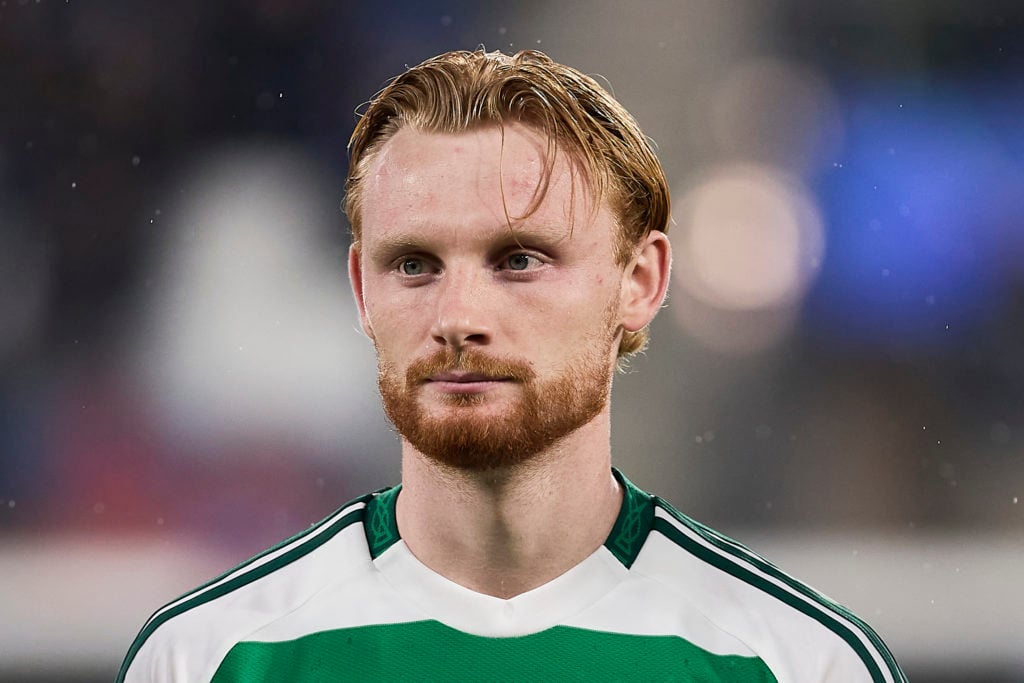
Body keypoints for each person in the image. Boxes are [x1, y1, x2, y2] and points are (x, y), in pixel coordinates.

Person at [118, 49, 905, 682]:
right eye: (415, 264)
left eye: (519, 259)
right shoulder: (208, 658)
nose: (458, 317)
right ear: (361, 289)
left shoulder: (800, 662)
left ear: (641, 282)